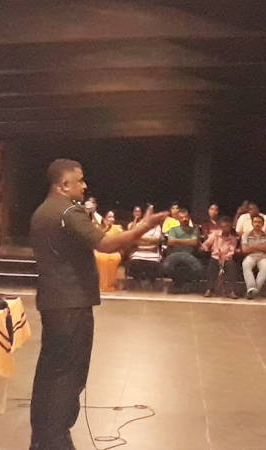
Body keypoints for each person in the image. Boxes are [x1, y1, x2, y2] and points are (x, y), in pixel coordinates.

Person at [29, 159, 167, 450]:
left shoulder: (43, 211)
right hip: (72, 304)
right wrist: (144, 226)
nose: (84, 185)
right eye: (79, 180)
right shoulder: (69, 211)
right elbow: (106, 244)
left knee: (50, 373)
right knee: (68, 375)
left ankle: (41, 440)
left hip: (53, 302)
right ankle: (56, 441)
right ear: (64, 185)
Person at [164, 209, 202, 293]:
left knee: (198, 268)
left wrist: (177, 241)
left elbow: (194, 242)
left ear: (189, 218)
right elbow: (170, 242)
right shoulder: (173, 229)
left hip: (189, 254)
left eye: (186, 217)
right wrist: (188, 241)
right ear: (178, 219)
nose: (184, 219)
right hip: (175, 254)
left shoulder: (194, 229)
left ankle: (185, 284)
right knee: (166, 266)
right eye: (182, 217)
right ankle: (177, 283)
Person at [201, 216, 238, 299]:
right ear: (220, 227)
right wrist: (206, 248)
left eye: (227, 227)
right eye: (223, 227)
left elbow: (232, 251)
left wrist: (225, 257)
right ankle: (209, 289)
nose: (225, 229)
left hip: (227, 258)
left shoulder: (233, 239)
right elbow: (205, 244)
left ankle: (231, 291)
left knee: (231, 266)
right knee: (212, 265)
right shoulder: (215, 235)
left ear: (230, 227)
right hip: (215, 257)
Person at [127, 208, 163, 288]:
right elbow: (134, 240)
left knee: (152, 266)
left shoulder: (157, 227)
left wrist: (140, 237)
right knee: (135, 264)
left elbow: (156, 240)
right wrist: (148, 240)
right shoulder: (138, 226)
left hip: (152, 253)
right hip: (138, 253)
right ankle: (137, 288)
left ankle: (149, 288)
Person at [241, 215, 266, 299]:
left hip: (263, 257)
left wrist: (252, 246)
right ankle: (251, 287)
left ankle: (253, 291)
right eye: (255, 222)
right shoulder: (246, 234)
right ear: (252, 223)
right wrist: (261, 246)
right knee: (246, 264)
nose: (257, 224)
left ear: (263, 224)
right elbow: (245, 249)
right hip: (250, 256)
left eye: (259, 222)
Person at [95, 211, 124, 292]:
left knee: (115, 258)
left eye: (113, 217)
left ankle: (110, 284)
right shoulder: (98, 228)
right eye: (109, 217)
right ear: (104, 219)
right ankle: (101, 285)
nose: (112, 219)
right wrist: (105, 229)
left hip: (113, 251)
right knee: (99, 257)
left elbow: (121, 241)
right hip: (100, 251)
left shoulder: (118, 228)